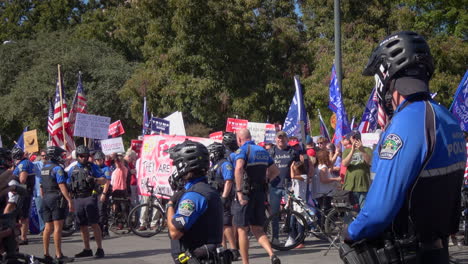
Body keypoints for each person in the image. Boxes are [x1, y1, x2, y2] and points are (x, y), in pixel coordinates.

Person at [341, 31, 466, 264]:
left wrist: (350, 232)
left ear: (385, 77)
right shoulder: (447, 118)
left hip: (407, 252)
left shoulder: (406, 122)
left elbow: (378, 211)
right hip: (437, 248)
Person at [165, 140, 229, 264]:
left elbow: (175, 232)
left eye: (176, 164)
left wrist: (170, 205)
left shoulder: (194, 195)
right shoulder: (206, 189)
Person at [233, 128, 281, 264]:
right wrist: (266, 180)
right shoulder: (262, 150)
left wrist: (239, 191)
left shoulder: (242, 150)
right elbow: (275, 171)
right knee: (258, 229)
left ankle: (245, 262)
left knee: (242, 229)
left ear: (239, 139)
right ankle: (272, 254)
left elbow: (238, 168)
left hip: (247, 194)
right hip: (260, 194)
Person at [68, 145, 106, 259]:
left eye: (86, 156)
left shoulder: (92, 167)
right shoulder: (72, 169)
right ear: (77, 157)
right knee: (82, 225)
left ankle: (100, 249)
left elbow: (104, 179)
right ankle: (87, 249)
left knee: (94, 223)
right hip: (77, 198)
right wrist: (69, 201)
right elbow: (67, 184)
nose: (83, 158)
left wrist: (94, 179)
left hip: (89, 197)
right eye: (81, 156)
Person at [40, 146, 74, 263]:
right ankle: (59, 255)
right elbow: (61, 185)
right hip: (56, 197)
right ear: (55, 155)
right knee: (57, 228)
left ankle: (46, 254)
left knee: (47, 227)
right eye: (60, 155)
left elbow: (41, 186)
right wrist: (69, 200)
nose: (62, 157)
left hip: (46, 198)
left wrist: (45, 197)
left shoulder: (44, 168)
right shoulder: (57, 168)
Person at [206, 142, 239, 257]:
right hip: (215, 197)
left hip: (223, 197)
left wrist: (224, 197)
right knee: (219, 224)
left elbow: (228, 181)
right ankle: (223, 248)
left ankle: (234, 249)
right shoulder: (214, 164)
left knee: (226, 224)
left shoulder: (225, 164)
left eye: (211, 152)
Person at [267, 131, 298, 244]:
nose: (281, 140)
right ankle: (275, 238)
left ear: (287, 139)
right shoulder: (271, 152)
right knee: (274, 214)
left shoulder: (292, 152)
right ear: (276, 140)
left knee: (290, 212)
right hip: (274, 186)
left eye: (283, 138)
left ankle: (291, 236)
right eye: (279, 138)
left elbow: (299, 167)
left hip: (288, 186)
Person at [341, 130, 372, 209]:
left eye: (357, 136)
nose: (355, 139)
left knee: (363, 208)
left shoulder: (367, 149)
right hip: (350, 185)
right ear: (350, 139)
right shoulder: (347, 151)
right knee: (352, 210)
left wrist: (361, 150)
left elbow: (369, 162)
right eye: (353, 137)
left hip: (363, 184)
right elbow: (344, 164)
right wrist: (352, 150)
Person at [11, 147, 35, 245]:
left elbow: (22, 180)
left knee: (22, 216)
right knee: (21, 216)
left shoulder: (24, 164)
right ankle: (22, 236)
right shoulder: (25, 162)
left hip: (23, 193)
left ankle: (23, 238)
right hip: (25, 192)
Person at [93, 151, 111, 237]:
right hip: (95, 192)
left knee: (101, 212)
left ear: (103, 160)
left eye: (100, 160)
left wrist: (104, 193)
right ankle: (102, 230)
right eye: (97, 160)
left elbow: (107, 182)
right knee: (95, 212)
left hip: (103, 192)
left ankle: (101, 232)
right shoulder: (94, 168)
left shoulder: (106, 169)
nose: (98, 161)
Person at [33, 150, 47, 234]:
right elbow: (28, 164)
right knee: (40, 210)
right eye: (42, 156)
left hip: (50, 192)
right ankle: (43, 228)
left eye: (45, 155)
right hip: (39, 192)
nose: (44, 157)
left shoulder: (51, 165)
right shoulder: (37, 164)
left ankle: (52, 228)